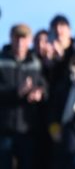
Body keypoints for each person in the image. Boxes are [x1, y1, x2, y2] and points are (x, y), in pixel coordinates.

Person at [0, 23, 47, 169]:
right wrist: (17, 92)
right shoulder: (2, 61)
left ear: (29, 41)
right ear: (11, 39)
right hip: (4, 129)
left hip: (28, 129)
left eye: (23, 38)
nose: (20, 42)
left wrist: (40, 93)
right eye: (17, 38)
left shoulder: (36, 63)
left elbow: (45, 86)